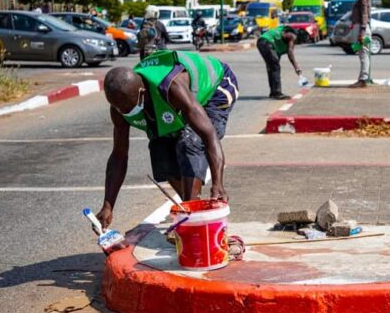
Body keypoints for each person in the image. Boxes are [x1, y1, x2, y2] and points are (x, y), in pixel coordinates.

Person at [95, 50, 238, 229]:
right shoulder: (119, 108)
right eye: (119, 109)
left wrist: (218, 183)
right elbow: (119, 155)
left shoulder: (171, 87)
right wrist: (108, 206)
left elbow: (208, 136)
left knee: (190, 141)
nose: (124, 113)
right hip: (176, 100)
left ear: (142, 93)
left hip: (217, 86)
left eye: (128, 108)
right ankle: (191, 210)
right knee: (159, 149)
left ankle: (192, 218)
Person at [256, 25, 304, 100]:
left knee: (272, 67)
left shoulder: (284, 36)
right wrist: (296, 67)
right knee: (275, 67)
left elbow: (278, 54)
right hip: (266, 43)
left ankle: (273, 92)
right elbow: (290, 52)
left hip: (262, 42)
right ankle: (277, 93)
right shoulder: (292, 36)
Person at [348, 0, 372, 88]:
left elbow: (364, 15)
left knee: (363, 53)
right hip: (360, 28)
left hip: (362, 29)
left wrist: (361, 33)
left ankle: (363, 79)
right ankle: (362, 78)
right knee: (360, 52)